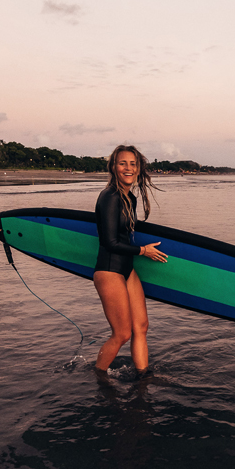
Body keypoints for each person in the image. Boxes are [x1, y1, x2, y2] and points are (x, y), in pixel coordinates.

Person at [93, 145, 167, 374]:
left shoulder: (130, 198)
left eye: (133, 164)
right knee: (122, 333)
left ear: (138, 168)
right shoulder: (110, 197)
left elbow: (125, 234)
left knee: (141, 327)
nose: (128, 168)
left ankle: (143, 376)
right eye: (123, 163)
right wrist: (143, 251)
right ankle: (99, 377)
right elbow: (109, 242)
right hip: (109, 270)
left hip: (127, 269)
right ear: (114, 167)